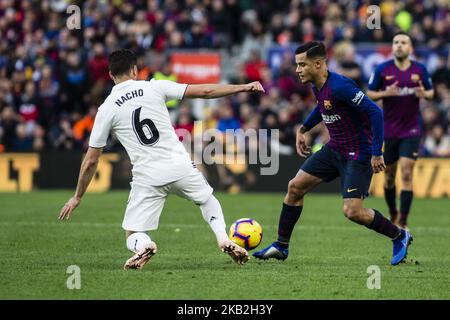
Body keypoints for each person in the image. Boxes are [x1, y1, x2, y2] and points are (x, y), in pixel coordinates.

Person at [58, 49, 265, 270]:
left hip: (147, 176)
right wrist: (243, 87)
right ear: (135, 70)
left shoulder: (106, 109)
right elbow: (204, 91)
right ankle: (223, 238)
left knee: (133, 232)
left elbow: (91, 160)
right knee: (208, 200)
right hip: (180, 166)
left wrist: (77, 196)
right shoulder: (154, 86)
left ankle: (144, 245)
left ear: (110, 75)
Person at [253, 41, 412, 266]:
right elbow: (323, 106)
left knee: (352, 211)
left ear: (318, 64)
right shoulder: (318, 84)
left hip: (358, 153)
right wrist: (304, 128)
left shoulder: (341, 86)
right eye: (297, 65)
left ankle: (399, 236)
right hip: (335, 148)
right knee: (295, 187)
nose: (297, 70)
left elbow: (375, 112)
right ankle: (281, 245)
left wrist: (377, 152)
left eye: (302, 65)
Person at [367, 32, 434, 230]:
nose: (399, 45)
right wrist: (384, 93)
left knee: (406, 173)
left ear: (410, 48)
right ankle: (393, 212)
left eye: (403, 42)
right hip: (388, 130)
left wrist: (425, 94)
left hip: (411, 129)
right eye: (396, 42)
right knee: (389, 176)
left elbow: (431, 92)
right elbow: (369, 93)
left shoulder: (420, 69)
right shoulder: (382, 69)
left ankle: (403, 221)